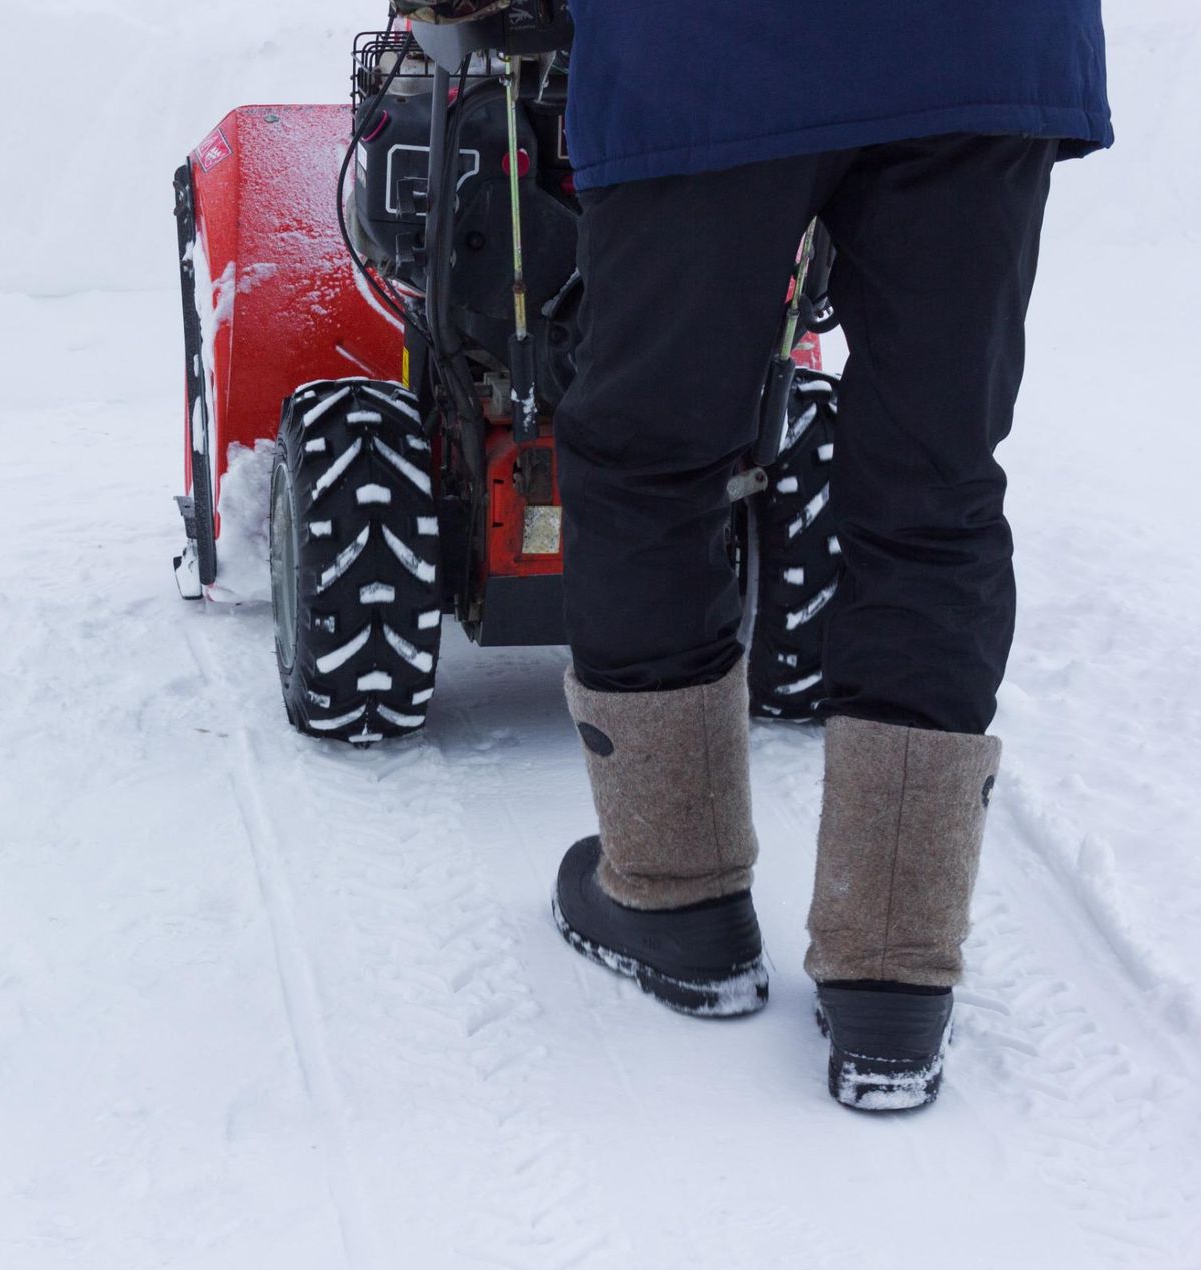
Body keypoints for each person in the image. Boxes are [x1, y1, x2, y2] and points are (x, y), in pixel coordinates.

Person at [414, 0, 1113, 1110]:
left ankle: (675, 895)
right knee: (937, 483)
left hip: (710, 45)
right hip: (987, 43)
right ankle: (894, 969)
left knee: (652, 453)